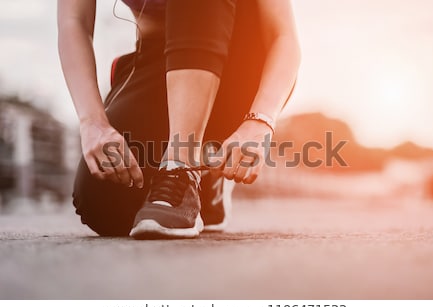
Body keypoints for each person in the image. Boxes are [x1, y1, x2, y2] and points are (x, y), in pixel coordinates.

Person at [57, 0, 300, 239]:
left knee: (156, 199)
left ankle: (182, 168)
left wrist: (259, 121)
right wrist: (93, 122)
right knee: (104, 202)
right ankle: (206, 182)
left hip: (240, 65)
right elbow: (74, 21)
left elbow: (284, 37)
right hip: (159, 61)